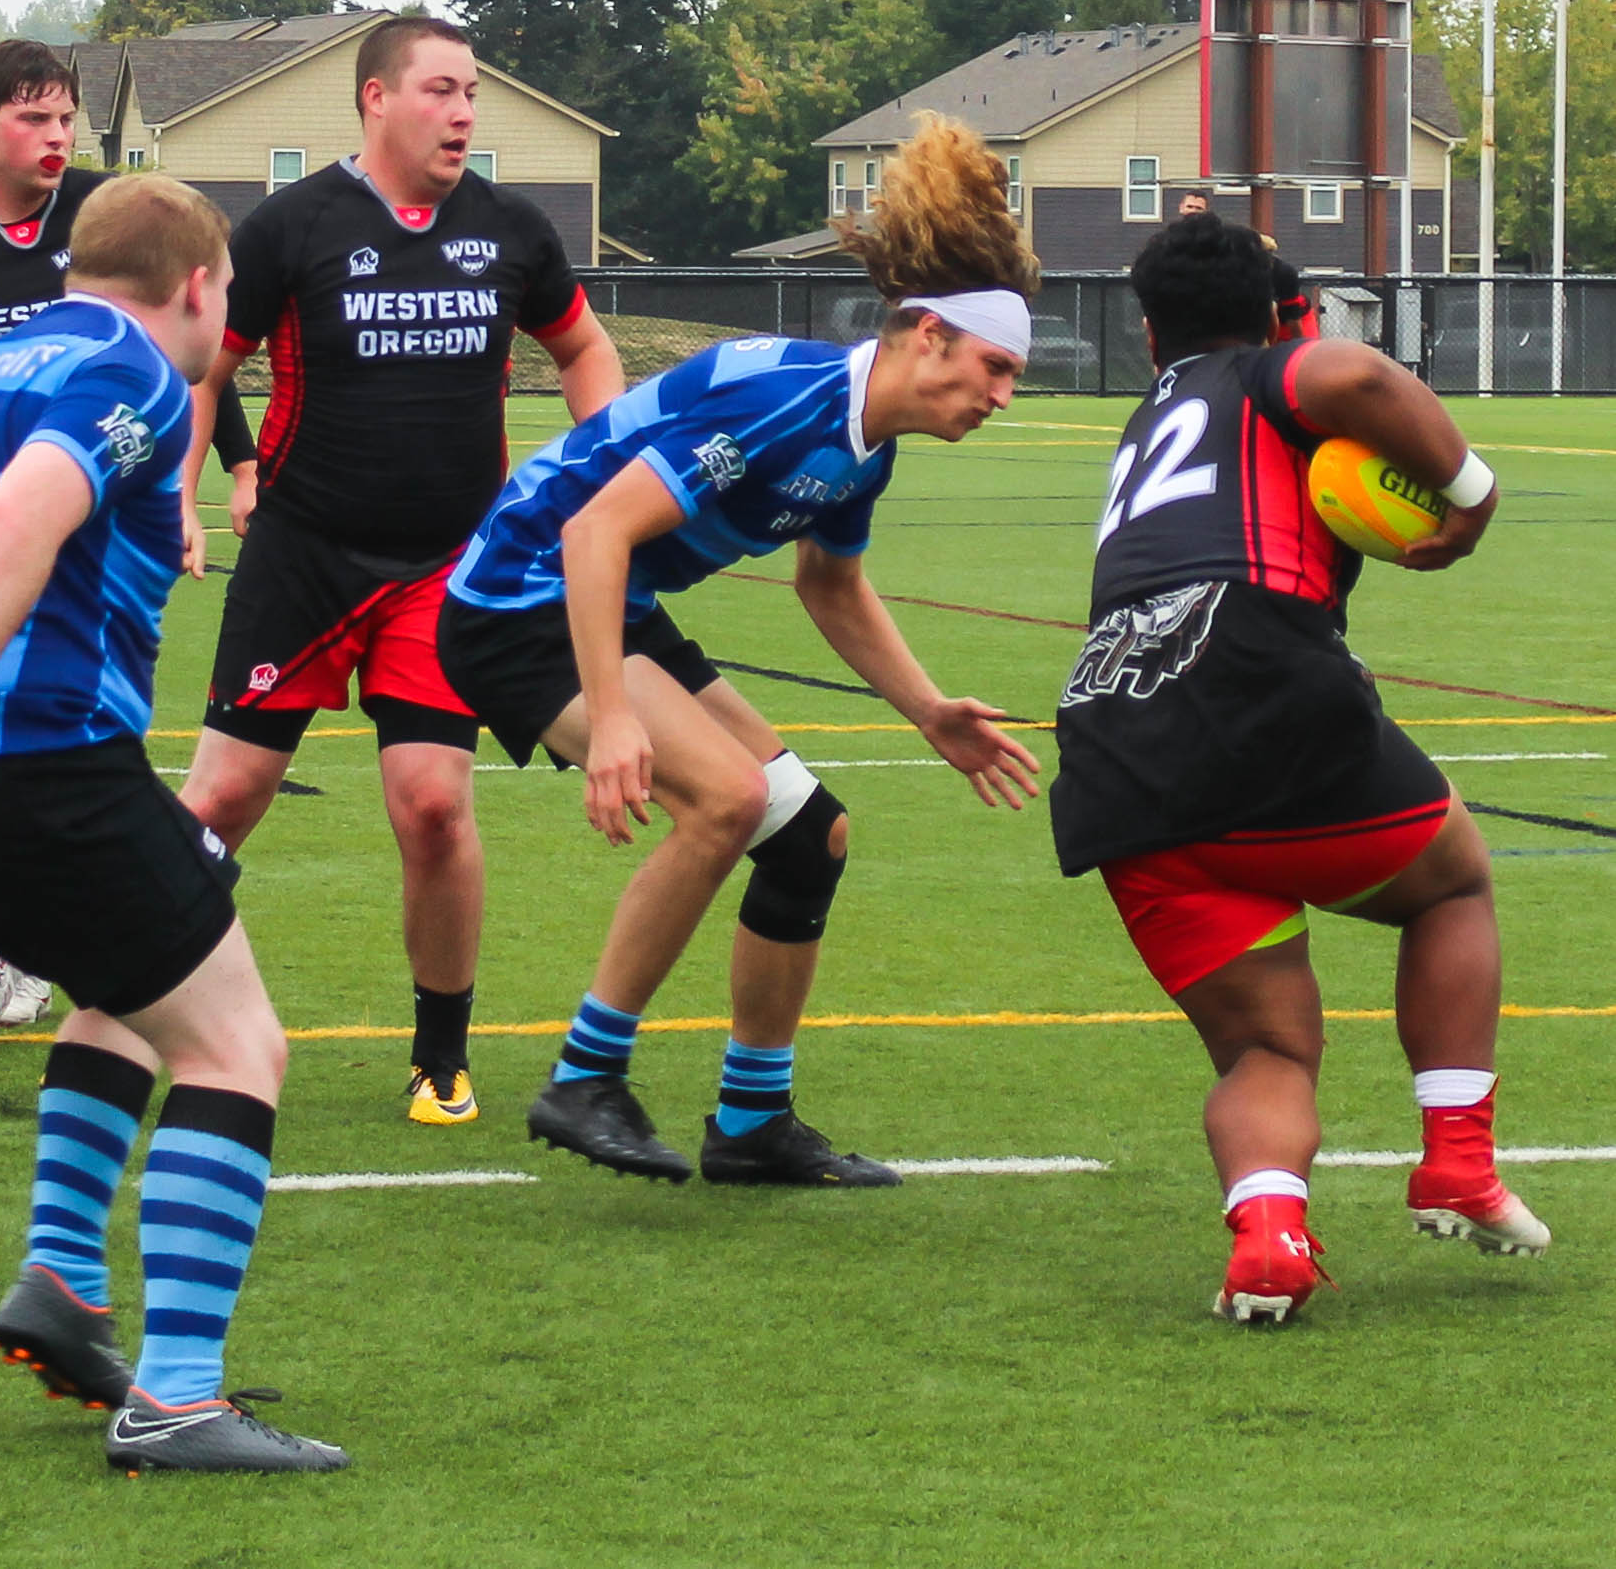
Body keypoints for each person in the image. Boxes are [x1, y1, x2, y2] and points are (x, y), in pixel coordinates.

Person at [0, 174, 344, 1475]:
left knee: (126, 984)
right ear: (201, 288)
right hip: (24, 763)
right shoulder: (138, 370)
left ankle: (59, 1279)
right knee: (234, 1044)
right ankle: (174, 1399)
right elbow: (12, 522)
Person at [439, 115, 1043, 1186]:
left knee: (811, 834)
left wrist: (928, 708)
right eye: (994, 366)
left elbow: (831, 583)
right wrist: (612, 713)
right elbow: (592, 531)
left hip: (610, 600)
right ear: (926, 335)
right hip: (520, 597)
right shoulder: (781, 402)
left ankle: (753, 1119)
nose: (1002, 395)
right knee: (722, 800)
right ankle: (586, 1074)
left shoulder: (864, 449)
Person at [1050, 210, 1546, 1324]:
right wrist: (1470, 497)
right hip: (1250, 673)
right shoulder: (1271, 370)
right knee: (1454, 881)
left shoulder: (1146, 416)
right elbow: (1352, 373)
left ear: (1143, 333)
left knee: (1266, 1045)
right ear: (1281, 314)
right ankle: (1457, 1158)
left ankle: (1268, 1235)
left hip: (1113, 734)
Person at [175, 16, 626, 1128]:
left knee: (431, 805)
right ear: (377, 98)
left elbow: (580, 348)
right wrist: (176, 495)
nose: (464, 110)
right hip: (302, 556)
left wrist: (606, 475)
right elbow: (205, 365)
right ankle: (127, 992)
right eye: (441, 89)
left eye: (472, 91)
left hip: (447, 567)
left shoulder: (510, 228)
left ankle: (440, 1051)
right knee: (225, 798)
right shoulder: (294, 224)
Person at [0, 38, 261, 1047]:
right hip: (6, 567)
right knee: (234, 1039)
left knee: (122, 972)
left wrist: (220, 472)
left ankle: (14, 961)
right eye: (35, 117)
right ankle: (16, 956)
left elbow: (191, 373)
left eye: (68, 117)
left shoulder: (107, 221)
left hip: (22, 523)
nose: (58, 135)